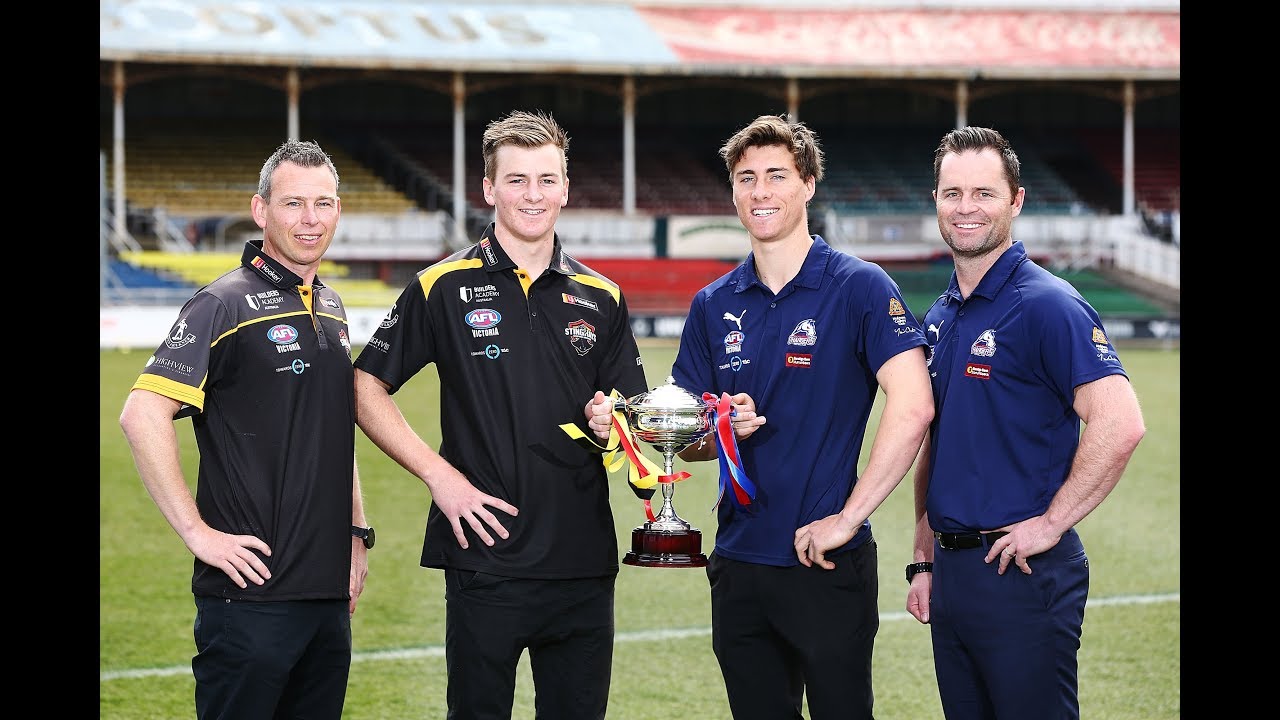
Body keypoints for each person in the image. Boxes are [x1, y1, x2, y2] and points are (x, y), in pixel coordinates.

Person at [589, 114, 934, 719]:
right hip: (740, 560)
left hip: (825, 558)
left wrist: (850, 518)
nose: (760, 191)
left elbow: (914, 404)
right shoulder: (713, 302)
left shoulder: (859, 286)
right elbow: (688, 438)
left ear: (808, 185)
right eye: (746, 178)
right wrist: (714, 428)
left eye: (777, 175)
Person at [352, 109, 649, 720]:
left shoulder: (603, 296)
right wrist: (440, 477)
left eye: (546, 179)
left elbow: (637, 421)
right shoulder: (442, 285)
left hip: (582, 564)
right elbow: (364, 388)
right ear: (488, 189)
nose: (533, 195)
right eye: (516, 180)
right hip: (486, 557)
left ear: (566, 188)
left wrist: (614, 422)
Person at [118, 139, 371, 720]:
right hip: (250, 597)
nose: (310, 219)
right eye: (293, 204)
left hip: (327, 594)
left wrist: (357, 533)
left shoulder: (330, 304)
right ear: (260, 211)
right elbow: (142, 413)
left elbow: (333, 429)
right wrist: (197, 533)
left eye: (323, 203)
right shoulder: (222, 304)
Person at [905, 126, 1146, 720]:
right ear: (935, 201)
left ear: (1016, 201)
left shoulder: (1048, 304)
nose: (966, 208)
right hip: (955, 573)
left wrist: (1051, 523)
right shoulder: (940, 314)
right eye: (952, 193)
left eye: (984, 193)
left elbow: (1120, 422)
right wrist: (925, 551)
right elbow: (939, 439)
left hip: (1025, 570)